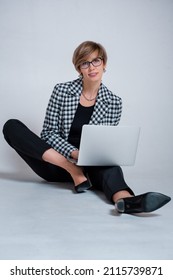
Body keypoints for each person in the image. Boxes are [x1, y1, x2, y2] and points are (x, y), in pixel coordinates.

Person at [2, 41, 171, 214]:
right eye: (85, 63)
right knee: (11, 126)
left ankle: (127, 202)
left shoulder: (113, 102)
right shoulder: (61, 91)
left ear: (104, 63)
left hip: (90, 168)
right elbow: (48, 133)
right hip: (55, 163)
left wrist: (88, 158)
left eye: (96, 61)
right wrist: (74, 156)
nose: (91, 67)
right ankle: (73, 170)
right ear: (79, 68)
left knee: (110, 166)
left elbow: (103, 145)